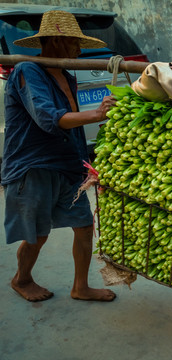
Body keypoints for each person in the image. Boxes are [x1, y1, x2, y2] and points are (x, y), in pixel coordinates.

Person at [2, 10, 117, 302]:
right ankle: (22, 279)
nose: (79, 50)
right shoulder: (28, 71)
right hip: (35, 164)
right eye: (74, 43)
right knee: (38, 233)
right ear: (54, 40)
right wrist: (96, 113)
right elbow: (47, 118)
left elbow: (72, 125)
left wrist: (86, 163)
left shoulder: (66, 76)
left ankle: (80, 287)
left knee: (83, 225)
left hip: (67, 164)